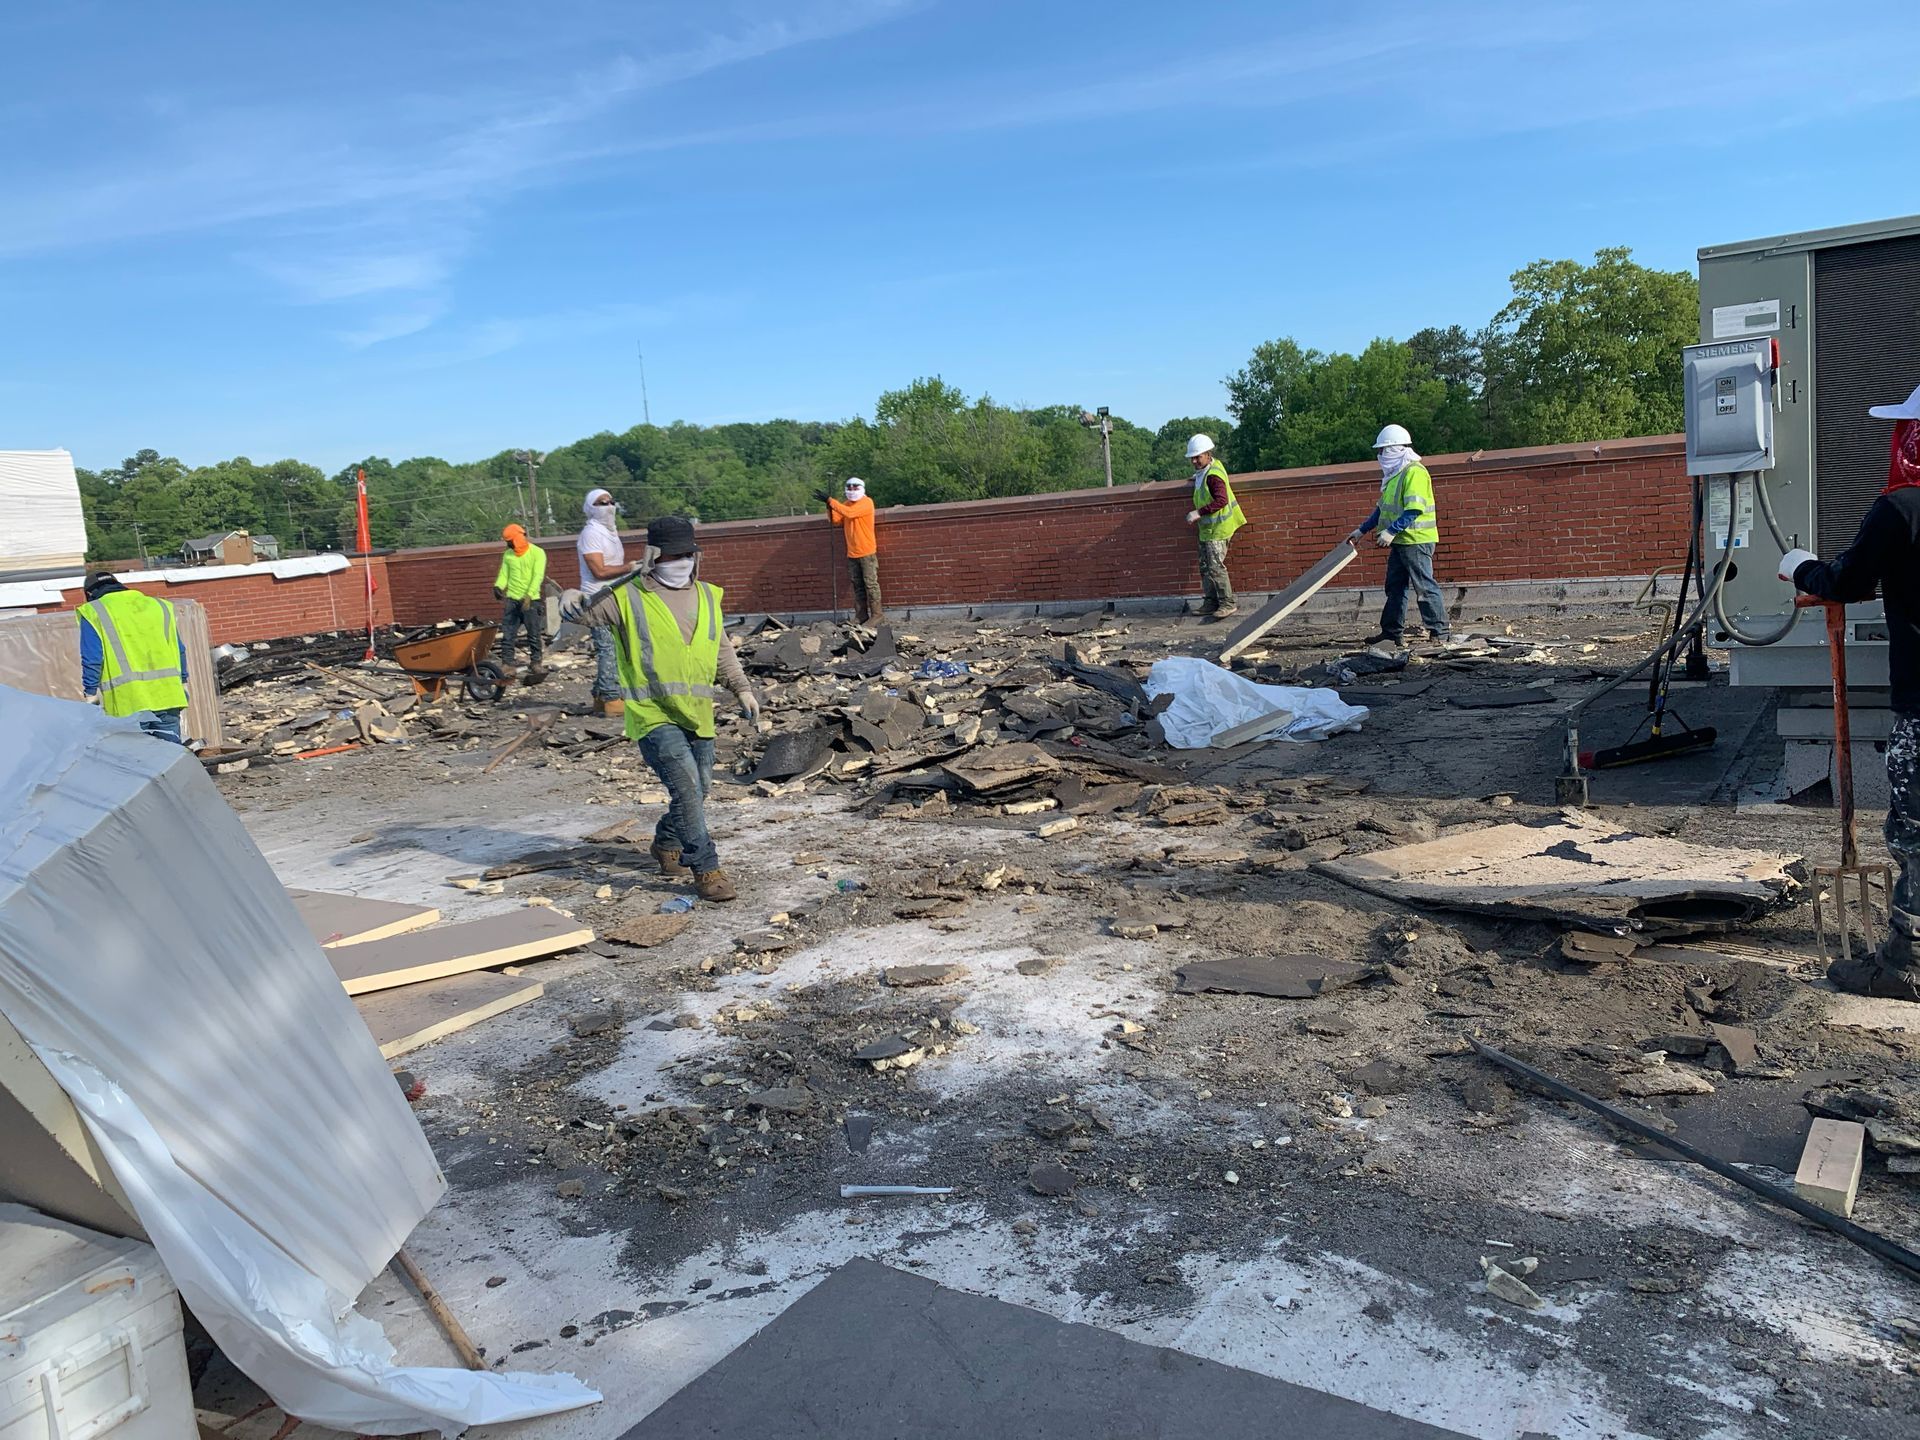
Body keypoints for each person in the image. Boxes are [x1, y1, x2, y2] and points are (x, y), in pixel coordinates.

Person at [1779, 379, 1920, 1001]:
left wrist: (1801, 567)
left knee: (1915, 825)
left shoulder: (1902, 508)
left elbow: (1847, 575)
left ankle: (1907, 960)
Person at [561, 516, 760, 903]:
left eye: (687, 554)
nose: (681, 561)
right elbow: (582, 613)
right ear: (653, 555)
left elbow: (720, 649)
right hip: (652, 714)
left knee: (700, 788)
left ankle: (666, 841)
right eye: (672, 555)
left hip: (697, 712)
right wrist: (569, 596)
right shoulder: (626, 597)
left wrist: (742, 689)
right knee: (686, 789)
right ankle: (706, 867)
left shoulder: (707, 595)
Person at [1347, 423, 1452, 646]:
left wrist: (1391, 531)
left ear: (1394, 449)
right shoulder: (1396, 475)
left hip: (1416, 541)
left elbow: (1415, 508)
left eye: (1383, 450)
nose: (1380, 455)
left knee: (1424, 586)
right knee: (1395, 587)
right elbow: (1382, 509)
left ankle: (1440, 632)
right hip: (1401, 541)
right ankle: (1392, 633)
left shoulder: (1414, 472)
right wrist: (1362, 530)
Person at [75, 572, 191, 743]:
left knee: (139, 762)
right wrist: (183, 680)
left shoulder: (94, 611)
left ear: (89, 594)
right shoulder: (159, 605)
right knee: (170, 759)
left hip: (129, 703)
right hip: (169, 696)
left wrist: (90, 693)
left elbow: (92, 657)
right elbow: (179, 648)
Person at [577, 488, 631, 716]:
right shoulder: (591, 534)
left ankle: (600, 694)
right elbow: (598, 571)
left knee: (614, 645)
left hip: (612, 594)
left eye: (611, 502)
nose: (609, 506)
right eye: (601, 503)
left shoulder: (610, 531)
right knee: (608, 647)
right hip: (597, 598)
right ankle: (610, 697)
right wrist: (630, 568)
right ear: (590, 508)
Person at [1184, 434, 1244, 620]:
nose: (1194, 461)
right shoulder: (1208, 469)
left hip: (1219, 528)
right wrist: (1198, 476)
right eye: (1192, 458)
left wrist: (1198, 513)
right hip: (1208, 530)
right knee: (1205, 566)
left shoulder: (1213, 477)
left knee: (1216, 567)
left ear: (1208, 454)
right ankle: (1210, 603)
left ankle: (1228, 603)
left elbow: (1221, 500)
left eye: (1198, 457)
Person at [814, 476, 884, 624]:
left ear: (862, 488)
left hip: (866, 552)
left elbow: (849, 513)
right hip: (852, 552)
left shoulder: (866, 503)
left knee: (871, 584)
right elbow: (836, 520)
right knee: (857, 585)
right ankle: (861, 615)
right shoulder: (846, 504)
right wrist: (829, 507)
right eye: (849, 487)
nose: (852, 490)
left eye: (855, 487)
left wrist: (831, 501)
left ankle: (877, 615)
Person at [493, 523, 547, 682]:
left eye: (509, 541)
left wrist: (529, 596)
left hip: (531, 601)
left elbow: (538, 576)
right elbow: (504, 574)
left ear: (517, 538)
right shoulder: (508, 555)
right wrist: (498, 586)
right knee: (508, 634)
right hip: (513, 599)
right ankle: (507, 664)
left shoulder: (537, 553)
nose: (508, 544)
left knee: (534, 634)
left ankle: (536, 663)